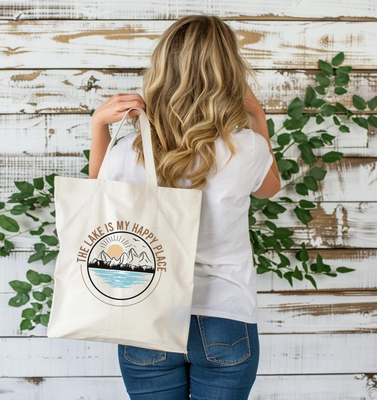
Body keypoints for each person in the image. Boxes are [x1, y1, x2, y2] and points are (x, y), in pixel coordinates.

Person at [89, 14, 281, 400]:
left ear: (162, 70)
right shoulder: (247, 148)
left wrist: (99, 128)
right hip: (226, 316)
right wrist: (257, 116)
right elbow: (269, 190)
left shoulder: (131, 148)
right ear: (230, 73)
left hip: (146, 312)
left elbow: (98, 200)